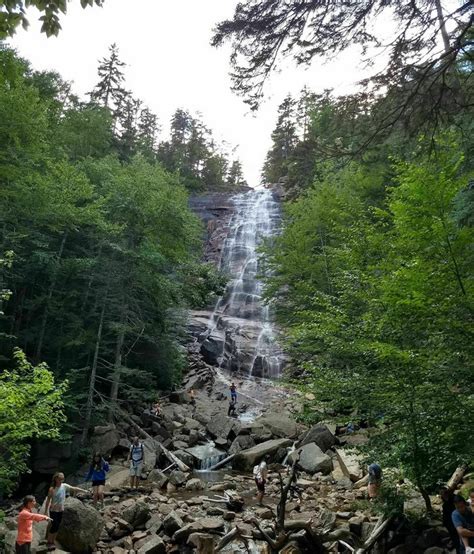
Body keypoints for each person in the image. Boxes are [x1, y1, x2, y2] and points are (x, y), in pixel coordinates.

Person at [45, 472, 88, 551]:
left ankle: (53, 541)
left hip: (60, 509)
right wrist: (45, 511)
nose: (62, 480)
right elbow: (48, 500)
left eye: (63, 478)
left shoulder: (64, 486)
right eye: (60, 478)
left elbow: (74, 488)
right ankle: (49, 542)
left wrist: (84, 491)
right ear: (56, 479)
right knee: (54, 525)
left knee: (57, 526)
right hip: (53, 510)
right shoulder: (52, 489)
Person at [440, 487, 460, 552]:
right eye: (441, 493)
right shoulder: (445, 504)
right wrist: (444, 523)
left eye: (445, 492)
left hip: (458, 523)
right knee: (456, 541)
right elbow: (445, 515)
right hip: (451, 526)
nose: (443, 494)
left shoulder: (455, 498)